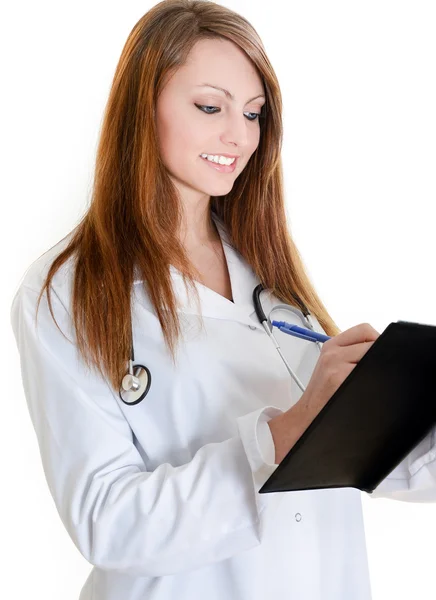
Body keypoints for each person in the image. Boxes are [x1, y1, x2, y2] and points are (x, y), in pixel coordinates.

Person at [10, 1, 436, 599]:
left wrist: (391, 406)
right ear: (142, 108)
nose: (239, 135)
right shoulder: (66, 291)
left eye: (254, 114)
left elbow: (363, 459)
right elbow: (107, 522)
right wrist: (281, 437)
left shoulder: (272, 277)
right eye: (210, 107)